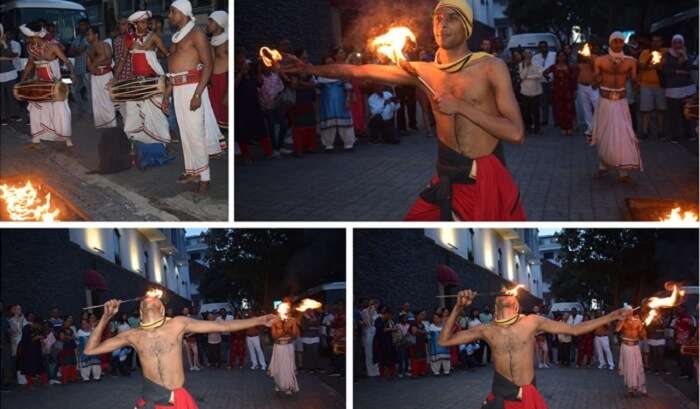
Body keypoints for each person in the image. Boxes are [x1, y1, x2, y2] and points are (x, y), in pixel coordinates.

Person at [284, 0, 526, 221]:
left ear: (466, 26)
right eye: (437, 18)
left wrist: (461, 106)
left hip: (486, 180)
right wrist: (309, 68)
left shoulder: (490, 67)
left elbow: (516, 132)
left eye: (451, 18)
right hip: (447, 176)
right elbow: (359, 71)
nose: (442, 24)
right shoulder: (423, 72)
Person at [439, 290, 630, 408]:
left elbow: (575, 329)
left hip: (527, 397)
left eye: (509, 291)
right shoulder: (486, 329)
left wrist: (611, 316)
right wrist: (458, 307)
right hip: (501, 396)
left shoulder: (531, 321)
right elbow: (444, 341)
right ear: (495, 303)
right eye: (503, 290)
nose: (506, 291)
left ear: (517, 304)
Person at [84, 294, 277, 408]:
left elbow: (223, 326)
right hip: (153, 400)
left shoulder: (178, 323)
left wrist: (259, 320)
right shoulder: (132, 335)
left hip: (177, 401)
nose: (151, 299)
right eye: (146, 300)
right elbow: (91, 349)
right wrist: (105, 318)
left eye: (156, 300)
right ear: (141, 311)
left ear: (162, 308)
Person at [166, 0, 223, 194]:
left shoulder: (196, 33)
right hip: (178, 88)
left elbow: (208, 64)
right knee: (185, 133)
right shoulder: (176, 37)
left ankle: (205, 178)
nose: (169, 16)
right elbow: (172, 69)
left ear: (182, 13)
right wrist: (167, 94)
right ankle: (192, 171)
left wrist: (198, 93)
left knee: (196, 133)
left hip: (192, 88)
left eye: (172, 12)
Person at [591, 31, 642, 183]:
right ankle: (603, 166)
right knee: (603, 133)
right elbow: (594, 85)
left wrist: (638, 83)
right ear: (610, 42)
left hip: (621, 102)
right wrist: (596, 79)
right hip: (605, 101)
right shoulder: (600, 60)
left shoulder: (631, 61)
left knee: (624, 134)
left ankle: (623, 172)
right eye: (615, 41)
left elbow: (634, 81)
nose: (618, 44)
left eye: (620, 41)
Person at [234, 47, 273, 162]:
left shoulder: (251, 71)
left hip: (254, 104)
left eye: (243, 56)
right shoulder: (234, 71)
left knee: (261, 129)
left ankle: (269, 152)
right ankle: (246, 156)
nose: (243, 59)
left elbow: (260, 83)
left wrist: (259, 71)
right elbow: (234, 86)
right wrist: (241, 72)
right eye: (240, 56)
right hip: (241, 106)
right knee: (243, 132)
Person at [317, 48, 356, 152]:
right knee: (328, 123)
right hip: (327, 103)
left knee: (344, 121)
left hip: (341, 101)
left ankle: (348, 143)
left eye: (331, 62)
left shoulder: (340, 73)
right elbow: (317, 90)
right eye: (327, 62)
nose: (330, 63)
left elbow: (348, 87)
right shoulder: (320, 76)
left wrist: (348, 99)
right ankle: (328, 144)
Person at [662, 34, 697, 143]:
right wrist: (678, 70)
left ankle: (690, 134)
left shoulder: (687, 54)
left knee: (689, 111)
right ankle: (675, 136)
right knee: (674, 113)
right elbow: (665, 70)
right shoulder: (667, 55)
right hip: (673, 89)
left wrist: (685, 57)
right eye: (675, 42)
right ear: (672, 43)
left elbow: (689, 68)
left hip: (687, 87)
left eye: (680, 42)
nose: (678, 44)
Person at [86, 26, 116, 129]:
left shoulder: (105, 45)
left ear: (96, 35)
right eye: (87, 35)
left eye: (89, 34)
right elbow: (88, 63)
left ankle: (111, 124)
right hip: (95, 77)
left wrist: (95, 63)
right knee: (97, 101)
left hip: (105, 75)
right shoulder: (89, 49)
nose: (87, 37)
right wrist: (91, 67)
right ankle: (101, 124)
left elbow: (109, 60)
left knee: (107, 100)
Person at [289, 48, 318, 156]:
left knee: (310, 123)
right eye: (303, 58)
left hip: (309, 99)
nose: (305, 60)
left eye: (306, 58)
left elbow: (315, 84)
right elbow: (294, 85)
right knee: (299, 125)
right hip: (298, 100)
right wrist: (306, 85)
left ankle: (310, 147)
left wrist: (303, 84)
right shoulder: (294, 69)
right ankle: (299, 149)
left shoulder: (309, 68)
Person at [638, 34, 667, 140]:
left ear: (661, 42)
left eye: (658, 41)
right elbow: (641, 67)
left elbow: (666, 65)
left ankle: (660, 131)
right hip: (646, 85)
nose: (656, 43)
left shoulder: (665, 52)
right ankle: (645, 131)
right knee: (646, 110)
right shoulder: (645, 53)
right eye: (654, 41)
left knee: (661, 109)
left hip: (660, 85)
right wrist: (652, 64)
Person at [207, 10, 228, 148]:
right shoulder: (210, 41)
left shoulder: (227, 41)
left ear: (220, 24)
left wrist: (228, 92)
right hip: (212, 82)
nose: (208, 24)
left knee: (225, 116)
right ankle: (217, 146)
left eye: (211, 21)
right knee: (212, 116)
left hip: (223, 81)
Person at [544, 51, 577, 135]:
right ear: (557, 57)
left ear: (565, 57)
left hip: (568, 90)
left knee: (569, 109)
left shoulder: (569, 67)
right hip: (557, 91)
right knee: (560, 109)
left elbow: (573, 79)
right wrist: (550, 81)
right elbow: (545, 73)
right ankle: (563, 127)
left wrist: (574, 90)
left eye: (563, 56)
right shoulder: (554, 67)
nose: (561, 57)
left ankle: (569, 127)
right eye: (560, 56)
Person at [615, 310, 647, 397]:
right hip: (626, 346)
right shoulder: (623, 321)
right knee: (629, 367)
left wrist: (642, 327)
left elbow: (642, 334)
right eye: (627, 311)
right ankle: (630, 389)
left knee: (638, 366)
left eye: (630, 311)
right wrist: (622, 320)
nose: (628, 312)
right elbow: (617, 330)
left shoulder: (638, 321)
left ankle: (641, 388)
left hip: (636, 346)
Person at [269, 312, 300, 395]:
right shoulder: (274, 321)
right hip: (278, 347)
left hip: (288, 347)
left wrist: (288, 329)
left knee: (288, 367)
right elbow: (274, 336)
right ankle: (279, 384)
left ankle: (288, 387)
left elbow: (295, 336)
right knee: (279, 366)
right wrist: (283, 330)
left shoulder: (292, 320)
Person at [0, 24, 22, 126]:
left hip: (10, 73)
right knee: (2, 97)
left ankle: (14, 114)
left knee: (12, 95)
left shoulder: (8, 43)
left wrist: (4, 44)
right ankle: (3, 118)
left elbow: (12, 55)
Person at [577, 44, 600, 138]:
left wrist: (597, 82)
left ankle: (598, 127)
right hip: (582, 86)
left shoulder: (596, 58)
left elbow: (600, 71)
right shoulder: (580, 58)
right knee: (586, 109)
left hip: (593, 86)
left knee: (597, 107)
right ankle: (590, 128)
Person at [68, 18, 91, 113]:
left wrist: (75, 50)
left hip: (87, 69)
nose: (81, 27)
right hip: (77, 69)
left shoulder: (89, 37)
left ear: (87, 26)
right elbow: (70, 51)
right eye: (80, 25)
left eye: (83, 25)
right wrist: (76, 50)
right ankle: (82, 108)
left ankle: (91, 111)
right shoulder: (77, 38)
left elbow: (79, 50)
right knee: (74, 90)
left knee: (89, 91)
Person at [520, 50, 544, 135]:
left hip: (536, 91)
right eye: (526, 54)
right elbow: (522, 76)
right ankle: (528, 127)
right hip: (525, 92)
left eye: (529, 54)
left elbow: (540, 74)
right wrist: (527, 67)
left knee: (536, 111)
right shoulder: (521, 64)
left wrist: (529, 77)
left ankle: (537, 128)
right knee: (526, 111)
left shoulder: (537, 63)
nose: (527, 55)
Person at [532, 41, 556, 126]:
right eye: (541, 47)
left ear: (547, 47)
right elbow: (534, 69)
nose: (543, 48)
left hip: (553, 81)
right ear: (539, 48)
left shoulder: (553, 55)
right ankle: (545, 120)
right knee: (543, 102)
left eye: (544, 46)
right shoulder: (535, 57)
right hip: (541, 82)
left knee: (554, 102)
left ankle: (556, 120)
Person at [346, 51, 368, 138]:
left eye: (359, 60)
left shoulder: (361, 70)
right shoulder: (349, 70)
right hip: (352, 93)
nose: (359, 62)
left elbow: (363, 82)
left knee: (360, 111)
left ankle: (360, 130)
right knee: (353, 112)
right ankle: (355, 131)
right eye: (356, 60)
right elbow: (348, 82)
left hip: (359, 93)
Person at [374, 306, 398, 378]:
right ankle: (384, 373)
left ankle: (391, 373)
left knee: (391, 357)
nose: (390, 317)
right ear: (386, 314)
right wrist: (391, 329)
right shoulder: (378, 320)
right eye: (390, 315)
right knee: (383, 358)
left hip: (390, 342)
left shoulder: (389, 321)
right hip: (381, 342)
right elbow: (381, 330)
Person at [646, 310, 669, 375]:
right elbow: (650, 329)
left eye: (658, 314)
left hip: (661, 340)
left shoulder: (662, 320)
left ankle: (663, 369)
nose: (657, 315)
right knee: (654, 355)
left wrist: (660, 322)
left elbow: (664, 327)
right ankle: (655, 369)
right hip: (652, 339)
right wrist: (657, 329)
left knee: (661, 355)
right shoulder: (649, 320)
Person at [300, 308, 322, 373]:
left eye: (311, 311)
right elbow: (304, 328)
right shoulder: (303, 318)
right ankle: (310, 368)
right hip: (306, 338)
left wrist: (314, 320)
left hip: (315, 337)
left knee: (315, 353)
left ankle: (316, 367)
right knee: (309, 353)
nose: (310, 312)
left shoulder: (316, 317)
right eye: (308, 311)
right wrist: (310, 321)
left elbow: (318, 326)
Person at [361, 300, 379, 377]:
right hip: (368, 332)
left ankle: (376, 369)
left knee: (375, 351)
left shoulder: (375, 312)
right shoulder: (364, 312)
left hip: (374, 332)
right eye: (372, 304)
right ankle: (370, 371)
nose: (373, 306)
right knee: (368, 352)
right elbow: (368, 322)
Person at [409, 310, 428, 377]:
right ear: (416, 316)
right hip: (415, 343)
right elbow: (414, 332)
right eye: (420, 315)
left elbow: (424, 331)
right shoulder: (413, 323)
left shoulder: (422, 324)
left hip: (421, 342)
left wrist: (423, 332)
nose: (422, 316)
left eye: (422, 315)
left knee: (422, 356)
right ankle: (415, 373)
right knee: (415, 357)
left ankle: (422, 371)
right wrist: (422, 332)